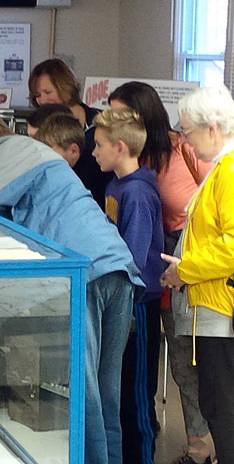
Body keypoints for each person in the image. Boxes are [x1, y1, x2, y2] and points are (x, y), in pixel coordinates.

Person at [0, 118, 143, 464]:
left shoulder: (14, 151)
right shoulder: (38, 157)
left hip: (86, 272)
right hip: (117, 266)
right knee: (107, 393)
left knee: (86, 392)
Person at [108, 81, 214, 464]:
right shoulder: (130, 161)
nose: (115, 119)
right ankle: (195, 442)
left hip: (187, 256)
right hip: (159, 259)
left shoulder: (183, 148)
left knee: (188, 354)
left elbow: (213, 196)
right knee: (166, 356)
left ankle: (202, 444)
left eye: (124, 112)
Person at [161, 86, 234, 464]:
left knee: (223, 410)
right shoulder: (221, 169)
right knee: (217, 406)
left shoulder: (229, 171)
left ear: (213, 128)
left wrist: (184, 270)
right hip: (210, 308)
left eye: (188, 132)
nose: (185, 141)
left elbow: (232, 246)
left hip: (220, 311)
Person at [93, 108, 165, 464]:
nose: (94, 153)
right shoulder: (115, 186)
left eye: (99, 145)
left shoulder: (137, 193)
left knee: (137, 394)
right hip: (120, 298)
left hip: (137, 301)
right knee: (119, 390)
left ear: (119, 147)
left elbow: (132, 255)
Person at [28, 58, 114, 208]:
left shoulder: (100, 122)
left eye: (48, 92)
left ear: (64, 87)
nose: (42, 100)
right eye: (37, 95)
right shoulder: (40, 125)